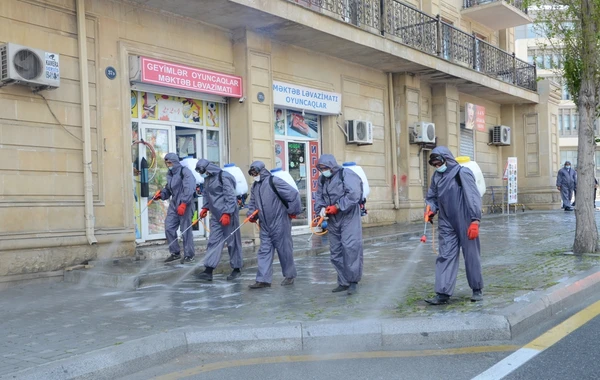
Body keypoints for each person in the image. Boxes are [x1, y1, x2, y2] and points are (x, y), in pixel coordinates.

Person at [424, 147, 484, 305]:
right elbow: (432, 197)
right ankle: (442, 293)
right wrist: (431, 209)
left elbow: (472, 196)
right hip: (446, 221)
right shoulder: (437, 176)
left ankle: (476, 289)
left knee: (471, 254)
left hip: (465, 218)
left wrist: (475, 220)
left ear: (447, 159)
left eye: (439, 163)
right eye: (434, 164)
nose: (437, 166)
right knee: (445, 254)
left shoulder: (461, 173)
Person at [246, 161, 302, 289]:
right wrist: (252, 214)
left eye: (255, 172)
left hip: (280, 222)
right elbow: (253, 203)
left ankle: (289, 275)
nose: (254, 175)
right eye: (252, 173)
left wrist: (293, 211)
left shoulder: (274, 181)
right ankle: (263, 279)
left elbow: (293, 195)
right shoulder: (255, 186)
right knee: (264, 250)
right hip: (265, 224)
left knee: (284, 250)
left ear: (261, 170)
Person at [314, 154, 364, 295]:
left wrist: (338, 206)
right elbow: (319, 197)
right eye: (321, 168)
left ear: (332, 166)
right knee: (335, 251)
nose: (323, 170)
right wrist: (321, 209)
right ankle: (343, 281)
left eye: (325, 168)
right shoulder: (322, 179)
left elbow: (354, 194)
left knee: (350, 247)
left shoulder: (346, 174)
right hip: (332, 218)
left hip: (348, 216)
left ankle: (353, 281)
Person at [195, 159, 243, 281]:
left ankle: (236, 269)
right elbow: (206, 194)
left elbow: (230, 197)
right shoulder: (207, 179)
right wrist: (205, 207)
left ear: (209, 168)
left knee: (232, 242)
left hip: (229, 214)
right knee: (214, 241)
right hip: (216, 215)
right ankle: (208, 270)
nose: (202, 174)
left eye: (202, 171)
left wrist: (227, 213)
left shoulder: (224, 177)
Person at [153, 153, 196, 263]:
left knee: (185, 230)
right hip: (174, 204)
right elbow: (168, 189)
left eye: (170, 162)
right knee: (169, 227)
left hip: (185, 204)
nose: (168, 165)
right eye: (166, 163)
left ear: (175, 162)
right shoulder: (170, 174)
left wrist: (184, 203)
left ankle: (189, 255)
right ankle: (175, 252)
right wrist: (161, 195)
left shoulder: (185, 172)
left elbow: (189, 188)